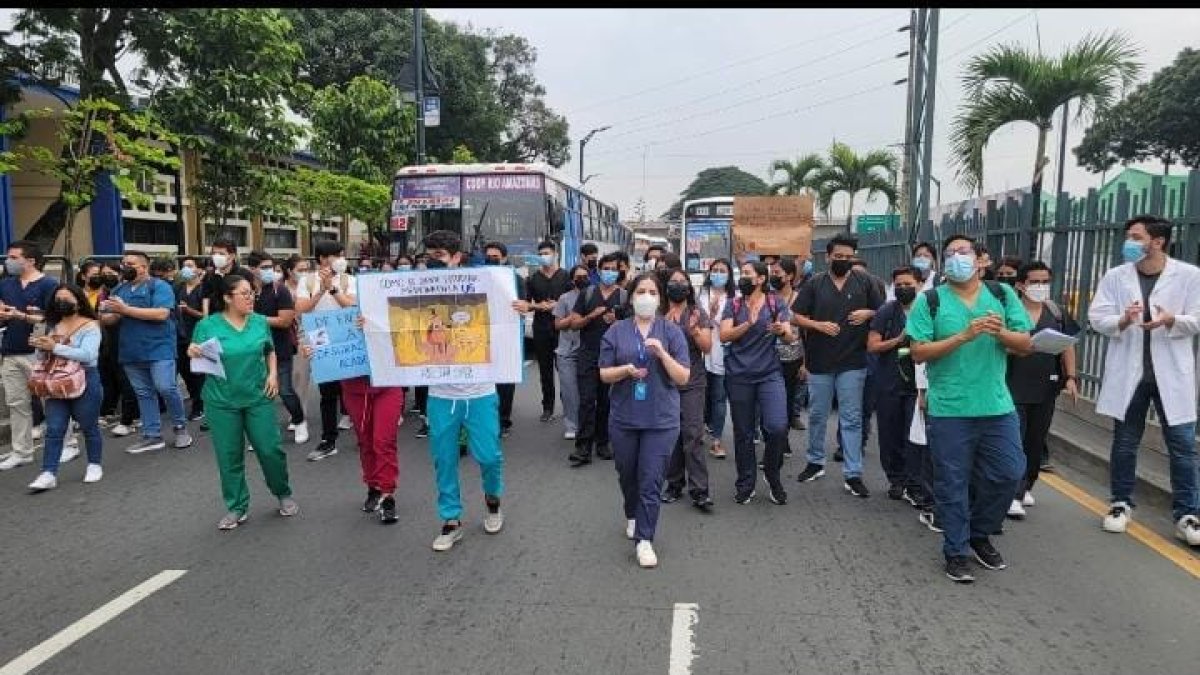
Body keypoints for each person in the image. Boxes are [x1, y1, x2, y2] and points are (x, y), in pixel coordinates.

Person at [907, 234, 1032, 583]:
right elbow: (918, 352)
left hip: (996, 405)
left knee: (1009, 472)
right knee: (952, 483)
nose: (955, 258)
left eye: (963, 252)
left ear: (981, 260)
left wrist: (1000, 333)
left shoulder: (1002, 295)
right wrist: (963, 336)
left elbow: (1025, 344)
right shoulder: (930, 301)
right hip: (950, 409)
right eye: (949, 254)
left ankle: (980, 532)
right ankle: (956, 550)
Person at [1089, 215, 1200, 547]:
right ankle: (1120, 504)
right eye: (1128, 236)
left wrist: (1171, 320)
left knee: (1182, 446)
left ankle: (1187, 514)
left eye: (1136, 237)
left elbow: (1197, 318)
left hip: (1171, 375)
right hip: (1131, 375)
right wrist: (1122, 320)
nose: (1129, 242)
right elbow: (1097, 317)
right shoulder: (1116, 276)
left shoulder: (1189, 275)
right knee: (1125, 442)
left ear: (1158, 241)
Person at [189, 274, 298, 529]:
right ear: (228, 298)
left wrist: (272, 375)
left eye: (252, 293)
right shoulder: (208, 325)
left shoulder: (259, 322)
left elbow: (269, 351)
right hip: (221, 400)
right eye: (245, 294)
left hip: (257, 396)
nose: (251, 298)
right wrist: (192, 350)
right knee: (229, 456)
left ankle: (282, 492)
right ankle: (237, 506)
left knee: (270, 450)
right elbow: (195, 350)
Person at [421, 230, 506, 552]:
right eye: (429, 255)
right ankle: (451, 519)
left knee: (488, 455)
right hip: (441, 393)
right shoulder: (418, 291)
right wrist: (369, 322)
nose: (433, 261)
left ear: (457, 257)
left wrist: (518, 306)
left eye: (440, 256)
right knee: (443, 458)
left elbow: (505, 323)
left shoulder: (484, 287)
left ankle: (493, 498)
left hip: (480, 390)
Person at [600, 272, 691, 568]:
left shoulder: (672, 332)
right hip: (624, 417)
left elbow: (683, 377)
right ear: (631, 296)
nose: (647, 297)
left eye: (653, 292)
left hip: (661, 419)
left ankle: (645, 539)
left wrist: (663, 354)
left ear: (660, 297)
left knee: (651, 479)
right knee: (628, 475)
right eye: (641, 291)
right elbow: (603, 373)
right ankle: (632, 514)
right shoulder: (616, 331)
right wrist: (625, 370)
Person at [791, 234, 883, 497]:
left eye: (848, 256)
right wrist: (817, 325)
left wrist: (869, 313)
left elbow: (886, 310)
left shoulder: (865, 282)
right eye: (838, 256)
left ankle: (853, 473)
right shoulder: (816, 283)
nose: (843, 260)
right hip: (820, 362)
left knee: (851, 418)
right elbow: (795, 316)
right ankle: (815, 461)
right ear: (828, 256)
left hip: (853, 361)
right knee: (818, 415)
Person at [1005, 261, 1080, 519]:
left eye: (1044, 281)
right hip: (1012, 384)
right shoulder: (1009, 311)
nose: (1040, 287)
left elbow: (1068, 345)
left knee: (1035, 441)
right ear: (1021, 285)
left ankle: (1027, 484)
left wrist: (1070, 377)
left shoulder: (1056, 312)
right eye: (1034, 282)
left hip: (1045, 386)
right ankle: (1012, 492)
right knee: (1014, 439)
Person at [720, 260, 798, 505]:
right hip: (739, 375)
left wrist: (780, 331)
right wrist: (748, 323)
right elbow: (724, 336)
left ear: (761, 279)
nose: (742, 277)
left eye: (747, 274)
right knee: (743, 432)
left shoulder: (776, 303)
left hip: (769, 374)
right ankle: (746, 482)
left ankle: (772, 474)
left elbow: (789, 337)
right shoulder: (733, 304)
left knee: (776, 427)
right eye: (741, 273)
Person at [100, 251, 193, 454]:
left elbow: (161, 314)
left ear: (143, 267)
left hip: (159, 348)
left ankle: (180, 427)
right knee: (143, 393)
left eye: (130, 263)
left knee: (166, 387)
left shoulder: (159, 287)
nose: (125, 267)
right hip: (131, 350)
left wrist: (125, 310)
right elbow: (111, 319)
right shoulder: (119, 288)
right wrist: (104, 314)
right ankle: (152, 435)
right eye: (123, 263)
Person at [25, 284, 105, 491]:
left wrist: (56, 347)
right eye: (57, 298)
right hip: (55, 380)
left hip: (84, 379)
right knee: (54, 428)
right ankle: (48, 472)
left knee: (89, 425)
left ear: (79, 301)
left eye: (66, 298)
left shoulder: (90, 325)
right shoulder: (52, 325)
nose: (61, 302)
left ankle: (94, 464)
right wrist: (41, 347)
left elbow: (88, 355)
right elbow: (45, 356)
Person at [867, 267, 929, 504]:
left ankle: (915, 483)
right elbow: (873, 346)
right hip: (890, 383)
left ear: (920, 284)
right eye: (899, 284)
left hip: (918, 386)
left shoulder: (929, 310)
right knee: (890, 435)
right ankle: (896, 480)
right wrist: (898, 339)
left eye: (908, 283)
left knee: (914, 436)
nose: (904, 288)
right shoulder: (886, 312)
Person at [294, 239, 357, 461]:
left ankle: (361, 431)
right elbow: (301, 309)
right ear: (321, 258)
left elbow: (352, 306)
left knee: (351, 389)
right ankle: (328, 440)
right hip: (321, 339)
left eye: (341, 255)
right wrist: (321, 291)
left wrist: (333, 288)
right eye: (334, 255)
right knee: (327, 391)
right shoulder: (307, 281)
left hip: (346, 340)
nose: (339, 260)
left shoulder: (351, 280)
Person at [0, 240, 59, 471]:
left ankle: (67, 443)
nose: (8, 261)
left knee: (51, 402)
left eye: (14, 257)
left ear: (31, 260)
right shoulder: (5, 285)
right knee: (17, 404)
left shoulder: (49, 284)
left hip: (39, 351)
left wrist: (21, 316)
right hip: (11, 350)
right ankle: (21, 452)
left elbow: (53, 319)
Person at [567, 253, 627, 466]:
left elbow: (634, 327)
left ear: (619, 272)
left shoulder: (624, 296)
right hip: (588, 354)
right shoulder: (587, 293)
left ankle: (603, 443)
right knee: (586, 401)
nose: (610, 272)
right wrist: (591, 316)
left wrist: (616, 322)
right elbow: (573, 324)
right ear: (599, 271)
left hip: (613, 358)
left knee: (606, 402)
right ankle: (583, 447)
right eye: (606, 268)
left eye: (614, 269)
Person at [661, 267, 713, 510]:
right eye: (674, 282)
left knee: (693, 435)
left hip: (692, 381)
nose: (678, 285)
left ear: (689, 287)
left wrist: (693, 331)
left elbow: (707, 346)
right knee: (671, 434)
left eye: (683, 282)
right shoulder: (658, 312)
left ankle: (700, 490)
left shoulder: (696, 312)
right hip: (664, 382)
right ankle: (673, 484)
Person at [247, 250, 307, 444]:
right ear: (252, 269)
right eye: (264, 267)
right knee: (260, 392)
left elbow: (285, 320)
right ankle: (263, 433)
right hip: (253, 350)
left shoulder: (278, 290)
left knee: (285, 390)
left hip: (280, 348)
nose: (269, 271)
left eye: (271, 267)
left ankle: (299, 422)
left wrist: (257, 319)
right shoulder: (246, 291)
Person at [524, 240, 570, 423]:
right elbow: (526, 304)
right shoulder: (533, 279)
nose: (544, 256)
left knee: (565, 369)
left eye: (547, 253)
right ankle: (547, 407)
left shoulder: (566, 276)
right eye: (541, 253)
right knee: (545, 370)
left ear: (556, 254)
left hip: (563, 329)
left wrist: (558, 306)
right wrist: (538, 305)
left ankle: (568, 405)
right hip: (541, 328)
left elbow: (575, 302)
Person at [485, 242, 527, 438]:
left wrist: (522, 306)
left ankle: (503, 420)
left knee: (505, 380)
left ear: (503, 258)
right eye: (488, 255)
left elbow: (524, 305)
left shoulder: (515, 279)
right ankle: (487, 419)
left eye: (495, 256)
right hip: (484, 335)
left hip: (507, 335)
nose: (491, 259)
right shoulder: (479, 278)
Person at [699, 260, 734, 459]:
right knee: (703, 396)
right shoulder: (701, 295)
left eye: (722, 271)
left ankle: (717, 440)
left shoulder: (734, 297)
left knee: (719, 397)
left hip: (723, 353)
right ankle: (702, 428)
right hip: (702, 352)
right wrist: (709, 315)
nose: (718, 274)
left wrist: (715, 317)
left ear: (729, 275)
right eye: (715, 271)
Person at [552, 265, 590, 440]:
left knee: (588, 391)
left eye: (585, 276)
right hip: (567, 351)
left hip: (588, 349)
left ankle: (589, 424)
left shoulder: (593, 295)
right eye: (578, 276)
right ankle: (572, 425)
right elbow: (557, 324)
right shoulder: (564, 298)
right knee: (569, 391)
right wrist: (572, 318)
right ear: (573, 279)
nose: (582, 279)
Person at [770, 259, 806, 434]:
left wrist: (806, 363)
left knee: (788, 400)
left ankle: (783, 439)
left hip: (793, 357)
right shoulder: (767, 298)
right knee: (770, 401)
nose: (773, 276)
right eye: (772, 272)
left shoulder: (801, 299)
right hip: (769, 356)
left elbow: (807, 333)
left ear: (790, 275)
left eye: (777, 273)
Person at [175, 256, 207, 421]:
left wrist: (188, 310)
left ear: (198, 269)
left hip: (197, 336)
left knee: (197, 372)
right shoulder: (178, 287)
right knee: (184, 370)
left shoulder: (203, 289)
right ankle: (195, 397)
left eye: (189, 265)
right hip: (180, 336)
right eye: (183, 265)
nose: (186, 268)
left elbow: (205, 315)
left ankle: (199, 405)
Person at [200, 236, 247, 314]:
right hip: (215, 320)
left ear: (232, 256)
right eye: (214, 253)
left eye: (221, 254)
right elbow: (205, 297)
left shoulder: (244, 275)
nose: (216, 257)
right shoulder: (209, 275)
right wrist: (206, 318)